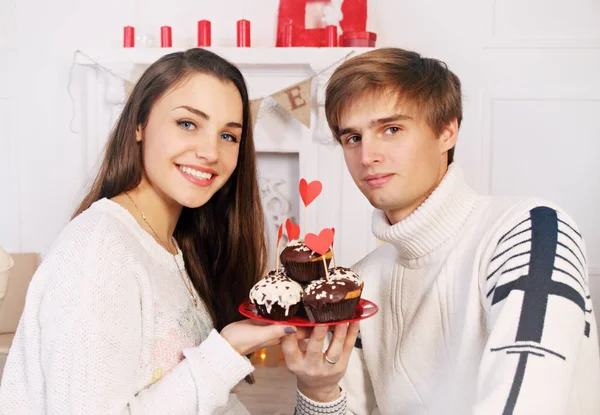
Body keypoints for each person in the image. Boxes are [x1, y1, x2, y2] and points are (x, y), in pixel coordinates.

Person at [284, 47, 600, 414]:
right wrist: (319, 391)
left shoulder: (531, 230)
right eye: (352, 137)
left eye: (391, 129)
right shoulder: (361, 280)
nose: (367, 156)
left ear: (447, 131)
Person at [0, 48, 300, 414]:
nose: (210, 152)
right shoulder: (99, 251)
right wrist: (225, 351)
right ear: (139, 124)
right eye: (188, 123)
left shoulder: (174, 246)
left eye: (228, 136)